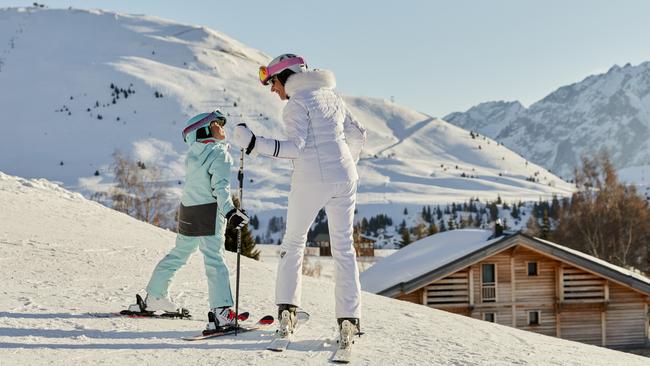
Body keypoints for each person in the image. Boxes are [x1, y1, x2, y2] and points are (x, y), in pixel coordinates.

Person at [233, 54, 367, 339]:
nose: (272, 89)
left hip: (311, 179)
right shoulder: (331, 96)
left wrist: (254, 144)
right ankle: (349, 320)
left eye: (273, 82)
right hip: (345, 178)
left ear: (286, 77)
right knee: (344, 248)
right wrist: (344, 164)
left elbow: (295, 147)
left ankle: (287, 313)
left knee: (293, 243)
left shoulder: (297, 104)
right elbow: (358, 133)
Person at [128, 110, 249, 333]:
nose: (222, 128)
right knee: (215, 259)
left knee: (179, 253)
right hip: (209, 212)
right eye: (217, 124)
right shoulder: (219, 154)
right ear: (203, 130)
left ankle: (154, 296)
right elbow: (220, 189)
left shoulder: (193, 155)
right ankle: (222, 313)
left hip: (188, 211)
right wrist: (230, 211)